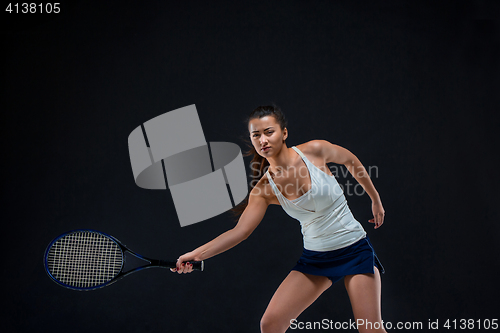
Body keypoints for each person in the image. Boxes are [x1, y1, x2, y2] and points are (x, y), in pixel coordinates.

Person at [171, 105, 387, 333]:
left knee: (371, 330)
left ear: (284, 133)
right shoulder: (264, 189)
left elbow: (351, 161)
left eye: (268, 132)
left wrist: (375, 199)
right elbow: (240, 232)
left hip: (354, 249)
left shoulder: (315, 150)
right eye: (256, 135)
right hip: (316, 259)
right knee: (270, 324)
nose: (262, 140)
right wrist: (196, 254)